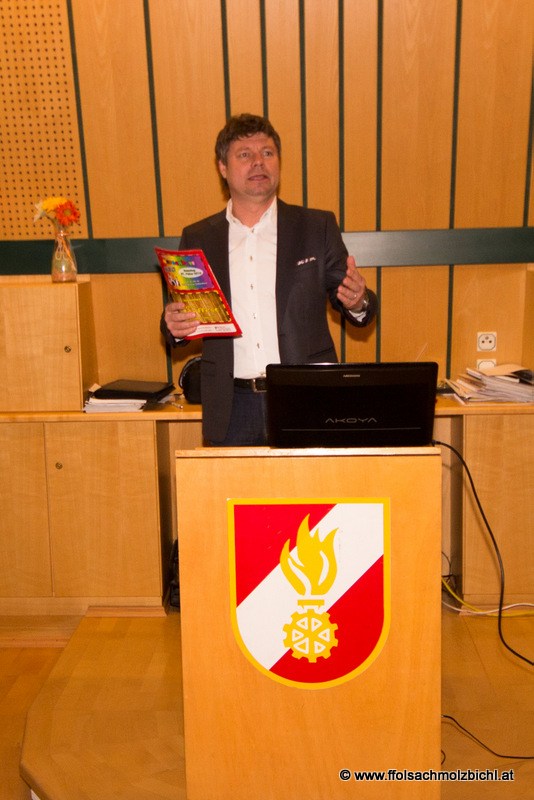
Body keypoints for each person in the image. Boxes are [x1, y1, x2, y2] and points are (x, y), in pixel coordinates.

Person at [161, 113, 377, 446]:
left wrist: (358, 300)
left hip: (304, 397)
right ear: (223, 167)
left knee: (311, 484)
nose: (258, 162)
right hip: (231, 405)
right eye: (244, 154)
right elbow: (180, 316)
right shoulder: (199, 237)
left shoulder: (316, 227)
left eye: (267, 153)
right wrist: (173, 326)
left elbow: (354, 302)